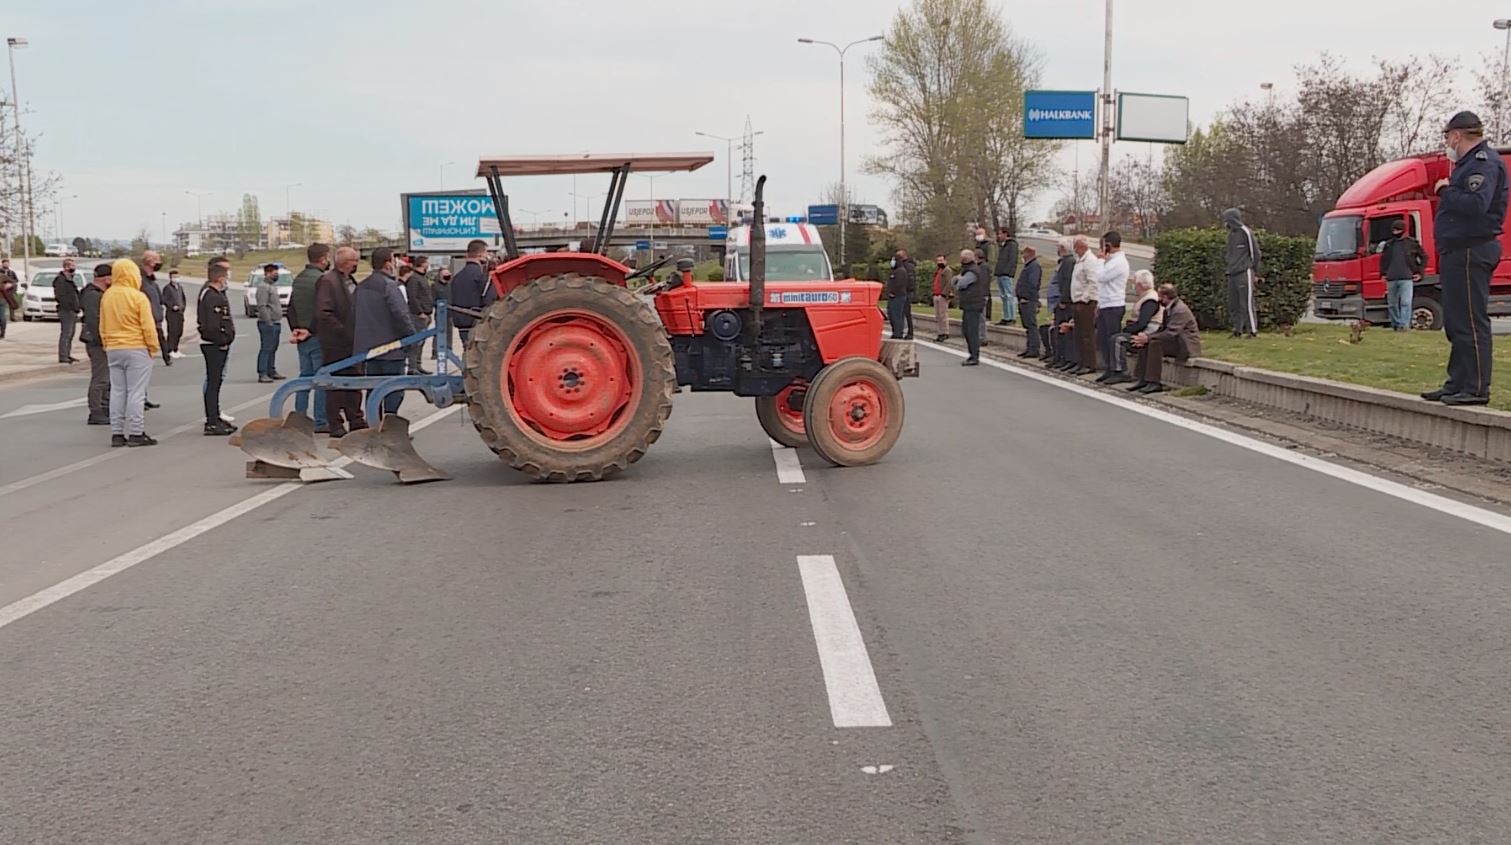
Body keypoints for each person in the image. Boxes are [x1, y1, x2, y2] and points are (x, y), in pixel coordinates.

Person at [1422, 111, 1507, 407]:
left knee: (1470, 319)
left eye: (1448, 137)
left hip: (1472, 248)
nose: (1447, 143)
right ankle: (1457, 382)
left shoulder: (1483, 164)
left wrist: (1446, 190)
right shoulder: (1467, 165)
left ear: (1457, 135)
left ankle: (1476, 386)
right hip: (1457, 250)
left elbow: (1476, 204)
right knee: (1456, 321)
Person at [99, 259, 159, 447]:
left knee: (118, 391)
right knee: (136, 392)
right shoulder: (138, 297)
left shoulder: (107, 296)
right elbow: (148, 326)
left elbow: (102, 324)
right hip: (136, 347)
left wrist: (107, 343)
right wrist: (153, 347)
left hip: (113, 348)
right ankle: (136, 432)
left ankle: (116, 433)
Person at [353, 247, 416, 419]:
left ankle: (374, 422)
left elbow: (353, 314)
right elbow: (401, 315)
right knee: (393, 390)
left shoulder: (361, 286)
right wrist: (412, 337)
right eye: (394, 260)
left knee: (373, 388)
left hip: (369, 350)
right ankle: (390, 424)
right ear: (388, 263)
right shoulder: (389, 286)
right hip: (391, 348)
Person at [315, 246, 366, 437]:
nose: (357, 265)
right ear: (345, 262)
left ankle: (356, 419)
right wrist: (343, 331)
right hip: (336, 343)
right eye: (355, 261)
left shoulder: (349, 280)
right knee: (335, 384)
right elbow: (323, 312)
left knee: (354, 381)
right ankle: (335, 423)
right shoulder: (329, 281)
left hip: (352, 342)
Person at [287, 243, 331, 433]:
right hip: (318, 335)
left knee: (304, 378)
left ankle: (299, 416)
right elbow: (321, 310)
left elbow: (291, 309)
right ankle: (321, 420)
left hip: (301, 335)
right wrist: (311, 330)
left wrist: (297, 329)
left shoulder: (298, 279)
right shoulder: (322, 280)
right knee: (320, 379)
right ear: (323, 258)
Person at [1127, 284, 1201, 395]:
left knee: (1155, 344)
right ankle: (1142, 378)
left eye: (1159, 296)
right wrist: (1146, 337)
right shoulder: (1169, 308)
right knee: (1146, 343)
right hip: (1176, 340)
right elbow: (1162, 329)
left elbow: (1171, 333)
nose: (1158, 299)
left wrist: (1148, 338)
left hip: (1185, 344)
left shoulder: (1179, 310)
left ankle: (1154, 381)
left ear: (1165, 297)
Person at [197, 263, 238, 436]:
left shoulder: (214, 294)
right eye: (226, 277)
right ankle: (211, 421)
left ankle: (215, 416)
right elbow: (212, 325)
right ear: (220, 278)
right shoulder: (212, 296)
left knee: (216, 381)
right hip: (214, 345)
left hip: (216, 343)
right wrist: (222, 340)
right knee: (213, 382)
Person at [1107, 270, 1162, 386]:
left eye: (1134, 283)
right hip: (1143, 330)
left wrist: (1127, 330)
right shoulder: (1146, 296)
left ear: (1140, 285)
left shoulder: (1150, 300)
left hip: (1148, 333)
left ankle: (1120, 371)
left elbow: (1143, 323)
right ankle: (1115, 370)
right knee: (1117, 336)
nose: (1133, 286)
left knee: (1118, 339)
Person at [1094, 231, 1131, 382]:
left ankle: (1119, 370)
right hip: (1105, 304)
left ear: (1108, 245)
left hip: (1114, 304)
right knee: (1102, 338)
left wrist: (1099, 261)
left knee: (1111, 338)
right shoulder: (1110, 261)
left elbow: (1101, 277)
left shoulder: (1119, 262)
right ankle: (1109, 367)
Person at [1378, 220, 1426, 332]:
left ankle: (1404, 325)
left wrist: (1420, 272)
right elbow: (1383, 260)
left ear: (1403, 230)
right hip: (1391, 278)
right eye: (1394, 230)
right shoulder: (1389, 244)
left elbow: (1423, 257)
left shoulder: (1412, 243)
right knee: (1392, 304)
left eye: (1398, 230)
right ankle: (1396, 324)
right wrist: (1383, 273)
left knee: (1406, 302)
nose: (1395, 232)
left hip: (1407, 278)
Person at [79, 263, 112, 425]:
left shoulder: (99, 293)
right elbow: (94, 320)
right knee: (101, 377)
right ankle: (96, 410)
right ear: (106, 278)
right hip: (96, 341)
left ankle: (105, 407)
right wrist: (103, 340)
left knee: (107, 377)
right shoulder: (93, 295)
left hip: (101, 340)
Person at [1222, 208, 1260, 338]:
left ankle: (1252, 331)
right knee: (1233, 303)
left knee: (1246, 303)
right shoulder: (1231, 235)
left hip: (1244, 272)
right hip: (1232, 273)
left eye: (1227, 220)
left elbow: (1255, 253)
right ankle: (1237, 329)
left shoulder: (1246, 233)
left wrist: (1253, 269)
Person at [450, 239, 496, 343]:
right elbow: (490, 300)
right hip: (477, 322)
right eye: (486, 252)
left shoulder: (457, 277)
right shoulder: (481, 277)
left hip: (461, 323)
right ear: (481, 254)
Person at [1068, 236, 1102, 375]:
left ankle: (1089, 363)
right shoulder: (1079, 261)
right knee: (1079, 334)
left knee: (1087, 335)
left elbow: (1093, 282)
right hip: (1077, 301)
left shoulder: (1090, 261)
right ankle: (1081, 361)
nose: (1075, 250)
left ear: (1082, 247)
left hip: (1086, 303)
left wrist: (1084, 298)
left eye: (1076, 247)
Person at [955, 248, 987, 366]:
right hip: (969, 304)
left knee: (972, 331)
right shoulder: (969, 270)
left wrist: (959, 279)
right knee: (967, 330)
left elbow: (961, 284)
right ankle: (972, 354)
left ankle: (974, 356)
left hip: (973, 304)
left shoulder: (972, 271)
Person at [1045, 239, 1075, 365]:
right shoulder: (1063, 262)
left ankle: (1063, 358)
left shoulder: (1068, 262)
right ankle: (1058, 356)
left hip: (1063, 302)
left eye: (1058, 247)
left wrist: (1063, 299)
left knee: (1062, 331)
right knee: (1057, 330)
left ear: (1062, 248)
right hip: (1058, 300)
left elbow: (1066, 282)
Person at [255, 263, 286, 383]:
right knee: (266, 348)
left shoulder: (272, 287)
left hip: (276, 322)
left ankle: (271, 370)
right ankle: (262, 372)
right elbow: (262, 306)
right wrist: (268, 321)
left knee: (273, 348)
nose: (276, 275)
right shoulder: (263, 287)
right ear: (267, 273)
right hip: (267, 323)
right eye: (274, 273)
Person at [404, 254, 435, 375]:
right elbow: (413, 296)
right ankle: (412, 367)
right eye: (427, 262)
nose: (428, 265)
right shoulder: (414, 278)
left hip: (426, 314)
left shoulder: (422, 277)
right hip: (419, 316)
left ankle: (418, 365)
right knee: (416, 343)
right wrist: (419, 312)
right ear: (422, 264)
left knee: (421, 343)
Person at [139, 250, 168, 368]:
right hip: (146, 320)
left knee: (160, 339)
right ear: (150, 262)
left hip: (156, 319)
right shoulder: (140, 280)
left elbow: (159, 299)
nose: (159, 263)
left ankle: (166, 356)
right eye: (157, 260)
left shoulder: (152, 281)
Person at [53, 258, 83, 364]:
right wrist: (70, 306)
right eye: (72, 266)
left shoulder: (70, 279)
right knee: (66, 333)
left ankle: (67, 354)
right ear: (66, 267)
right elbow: (60, 296)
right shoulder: (60, 280)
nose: (74, 268)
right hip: (66, 310)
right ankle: (63, 356)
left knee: (71, 334)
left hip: (73, 310)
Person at [1014, 246, 1042, 359]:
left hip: (1028, 300)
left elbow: (1033, 284)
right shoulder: (1029, 266)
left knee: (1031, 325)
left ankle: (1034, 349)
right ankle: (1029, 347)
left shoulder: (1034, 266)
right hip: (1023, 300)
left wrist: (1027, 296)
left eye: (1024, 254)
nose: (1023, 256)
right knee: (1027, 325)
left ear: (1028, 254)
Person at [885, 249, 914, 339]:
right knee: (892, 314)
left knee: (898, 315)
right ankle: (896, 331)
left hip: (898, 296)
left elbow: (900, 284)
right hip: (893, 296)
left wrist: (894, 292)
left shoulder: (902, 271)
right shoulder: (895, 271)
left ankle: (898, 332)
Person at [994, 227, 1020, 326]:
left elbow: (1012, 260)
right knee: (1003, 296)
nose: (999, 236)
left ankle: (1011, 317)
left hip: (1006, 274)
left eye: (1000, 234)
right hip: (1000, 273)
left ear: (1006, 234)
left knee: (1009, 295)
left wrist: (1007, 271)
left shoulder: (1012, 245)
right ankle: (1006, 316)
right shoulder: (1003, 246)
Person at [162, 270, 186, 358]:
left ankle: (176, 349)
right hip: (172, 313)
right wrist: (172, 306)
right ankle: (170, 349)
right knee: (172, 331)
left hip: (180, 313)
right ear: (170, 278)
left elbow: (183, 298)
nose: (176, 278)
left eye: (177, 276)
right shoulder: (167, 288)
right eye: (174, 277)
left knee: (179, 331)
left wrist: (183, 307)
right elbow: (164, 299)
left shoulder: (180, 287)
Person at [930, 254, 954, 342]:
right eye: (938, 261)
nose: (939, 262)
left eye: (941, 260)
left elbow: (949, 283)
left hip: (942, 295)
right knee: (938, 315)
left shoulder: (947, 270)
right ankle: (940, 332)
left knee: (943, 314)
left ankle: (945, 332)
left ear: (945, 261)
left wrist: (944, 294)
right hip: (936, 294)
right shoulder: (938, 270)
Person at [431, 265, 453, 361]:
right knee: (438, 331)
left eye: (448, 274)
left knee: (449, 331)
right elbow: (432, 299)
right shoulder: (435, 286)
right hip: (440, 312)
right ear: (440, 275)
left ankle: (448, 349)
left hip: (450, 312)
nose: (447, 276)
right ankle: (436, 351)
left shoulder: (450, 285)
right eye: (445, 274)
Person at [974, 227, 993, 323]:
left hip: (985, 268)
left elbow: (991, 258)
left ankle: (988, 314)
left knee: (986, 292)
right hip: (979, 268)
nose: (978, 236)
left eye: (979, 234)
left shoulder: (989, 245)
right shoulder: (978, 245)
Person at [0, 257, 18, 337]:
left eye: (7, 262)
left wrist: (9, 285)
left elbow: (14, 281)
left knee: (2, 317)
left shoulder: (2, 276)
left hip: (2, 298)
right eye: (4, 262)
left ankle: (2, 331)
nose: (6, 264)